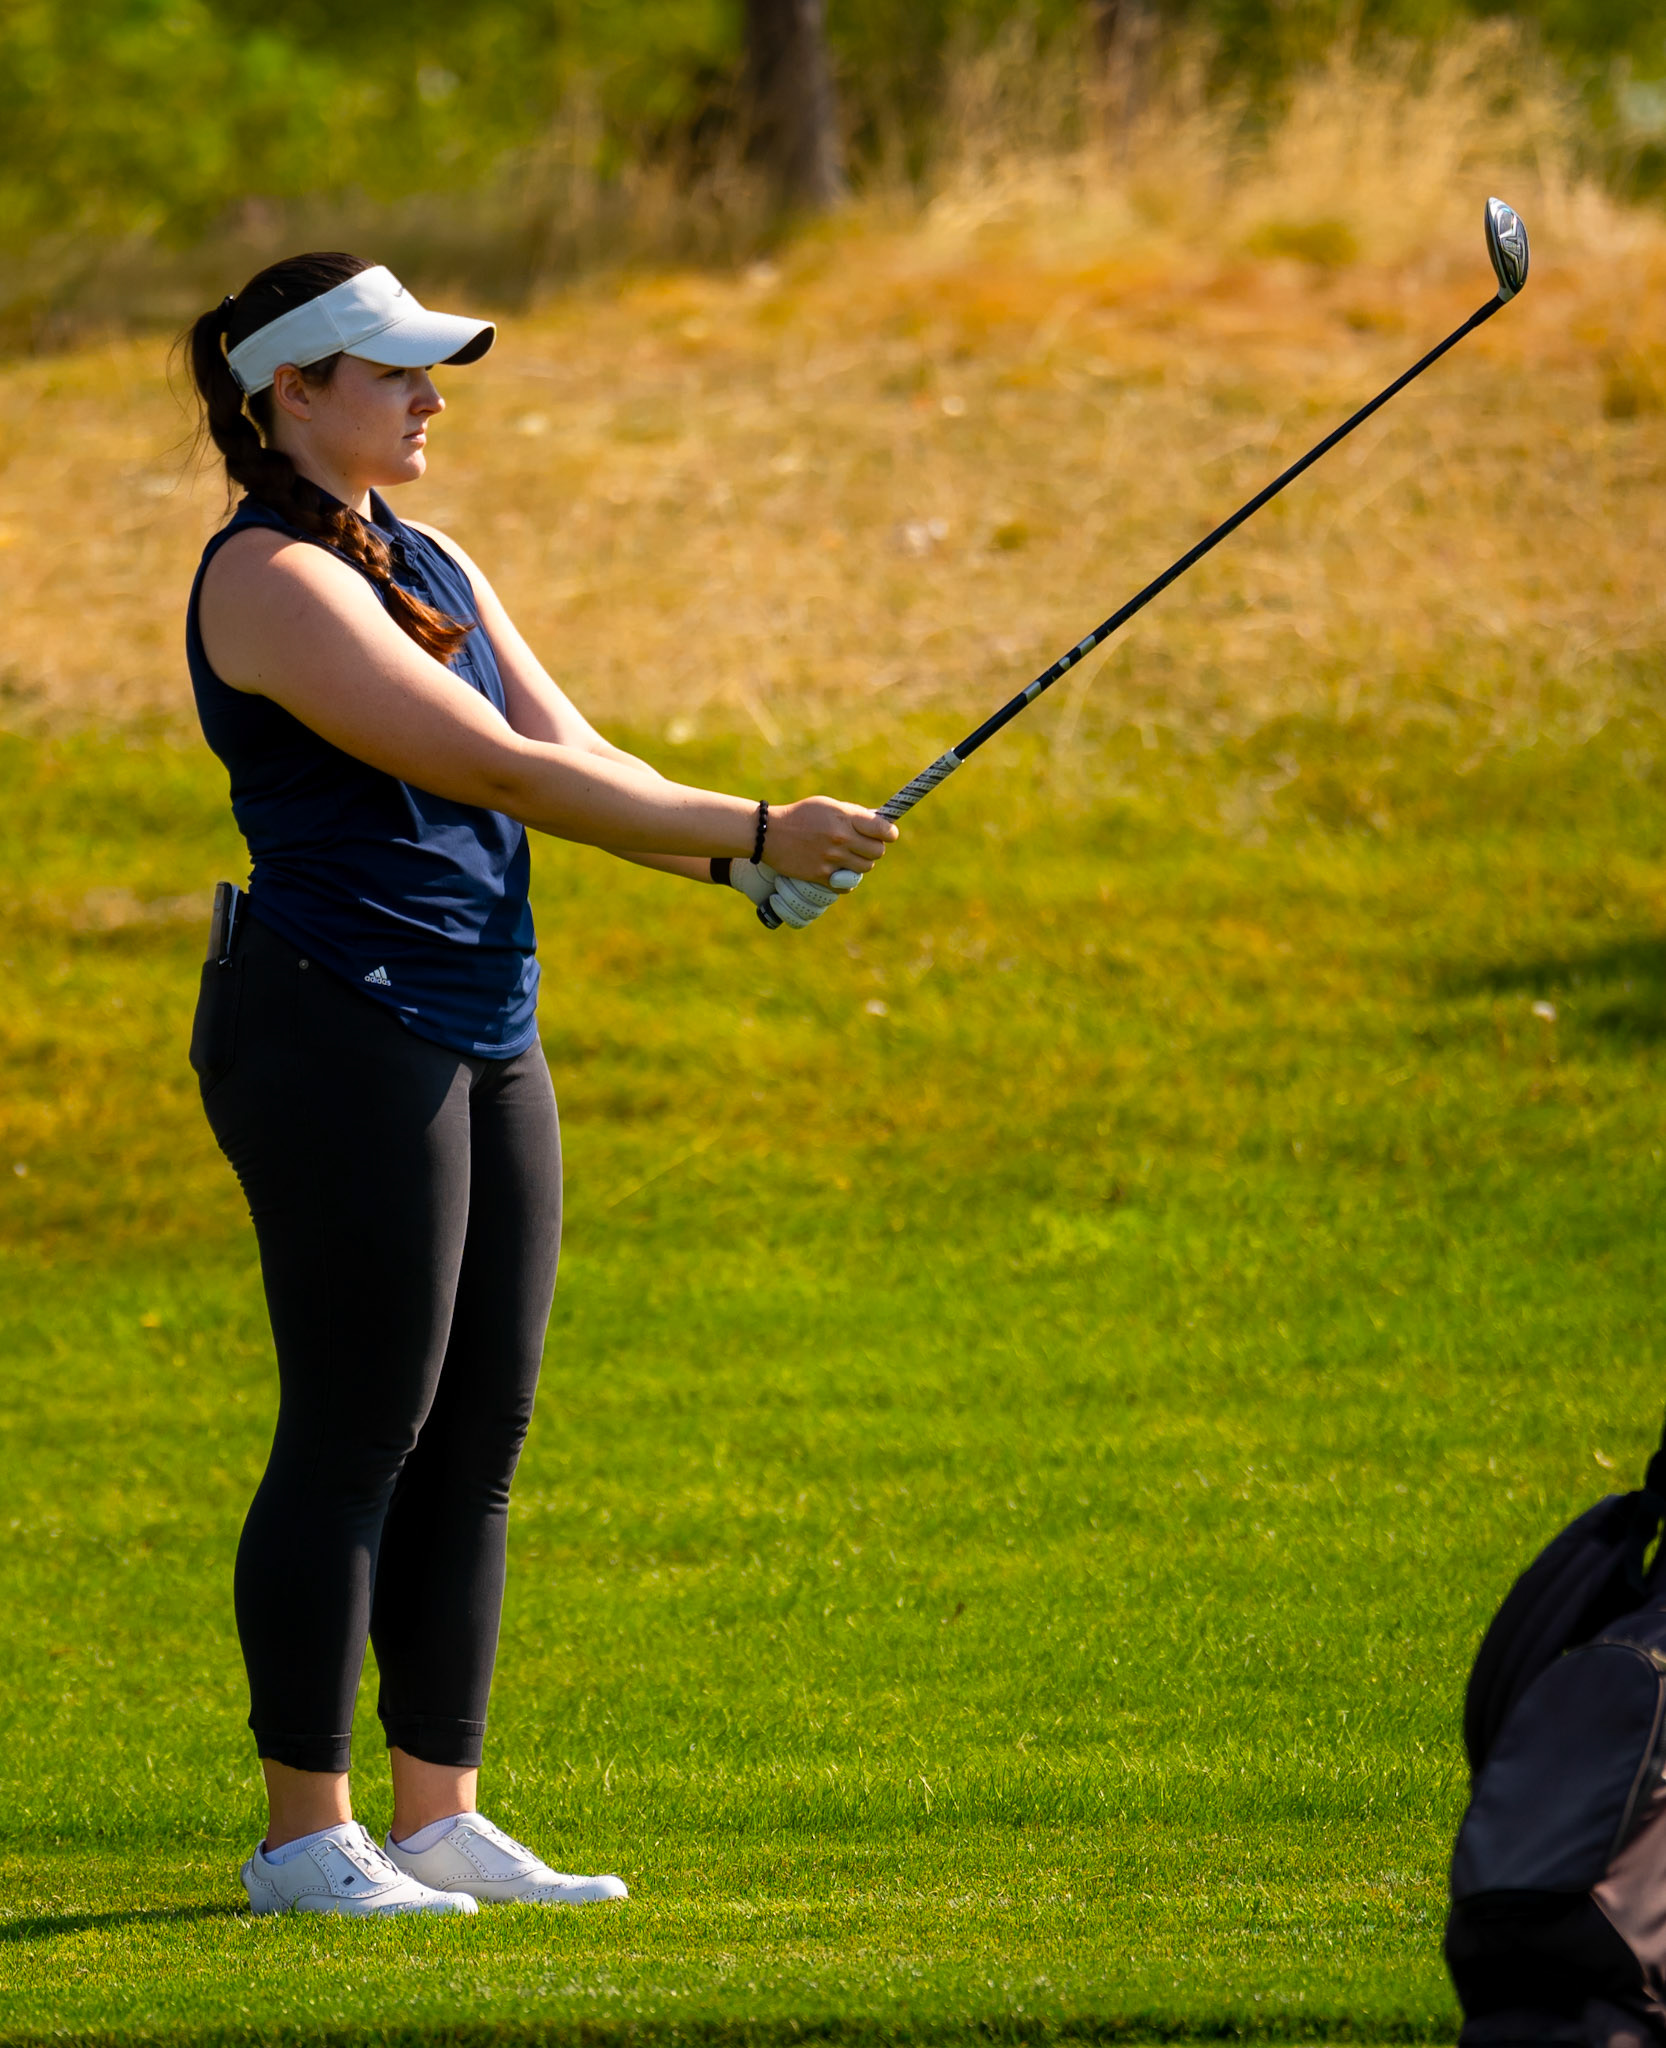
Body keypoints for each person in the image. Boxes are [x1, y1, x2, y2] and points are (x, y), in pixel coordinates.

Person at [183, 253, 897, 1918]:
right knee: (357, 1426)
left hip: (481, 1018)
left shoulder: (432, 558)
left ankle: (438, 1817)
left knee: (476, 1431)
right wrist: (752, 828)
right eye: (395, 373)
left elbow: (578, 757)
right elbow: (489, 767)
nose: (430, 398)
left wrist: (736, 859)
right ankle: (304, 1840)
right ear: (294, 393)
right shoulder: (269, 580)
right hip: (331, 1022)